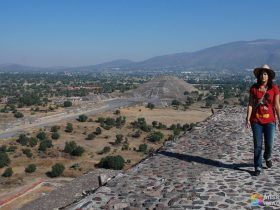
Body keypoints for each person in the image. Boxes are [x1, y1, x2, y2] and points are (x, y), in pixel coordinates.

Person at [246, 64, 280, 176]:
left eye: (265, 74)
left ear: (269, 76)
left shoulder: (274, 89)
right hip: (256, 121)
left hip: (270, 121)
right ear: (258, 76)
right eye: (261, 74)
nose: (263, 76)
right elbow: (250, 104)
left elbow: (277, 105)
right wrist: (247, 118)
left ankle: (268, 156)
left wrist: (279, 120)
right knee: (257, 145)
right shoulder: (254, 88)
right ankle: (258, 166)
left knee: (269, 144)